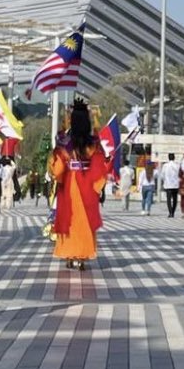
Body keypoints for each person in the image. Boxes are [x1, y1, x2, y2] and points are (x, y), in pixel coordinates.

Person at [50, 99, 108, 269]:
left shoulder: (64, 141)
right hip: (87, 183)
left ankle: (68, 255)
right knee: (85, 220)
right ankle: (82, 257)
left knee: (69, 218)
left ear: (73, 120)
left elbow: (58, 167)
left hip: (69, 184)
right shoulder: (93, 142)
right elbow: (100, 163)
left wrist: (55, 169)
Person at [160, 153, 182, 218]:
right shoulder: (177, 165)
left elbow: (162, 175)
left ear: (168, 158)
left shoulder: (165, 165)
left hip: (168, 184)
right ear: (174, 158)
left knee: (169, 199)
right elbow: (180, 174)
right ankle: (173, 211)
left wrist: (164, 181)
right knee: (175, 199)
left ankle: (170, 212)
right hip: (175, 184)